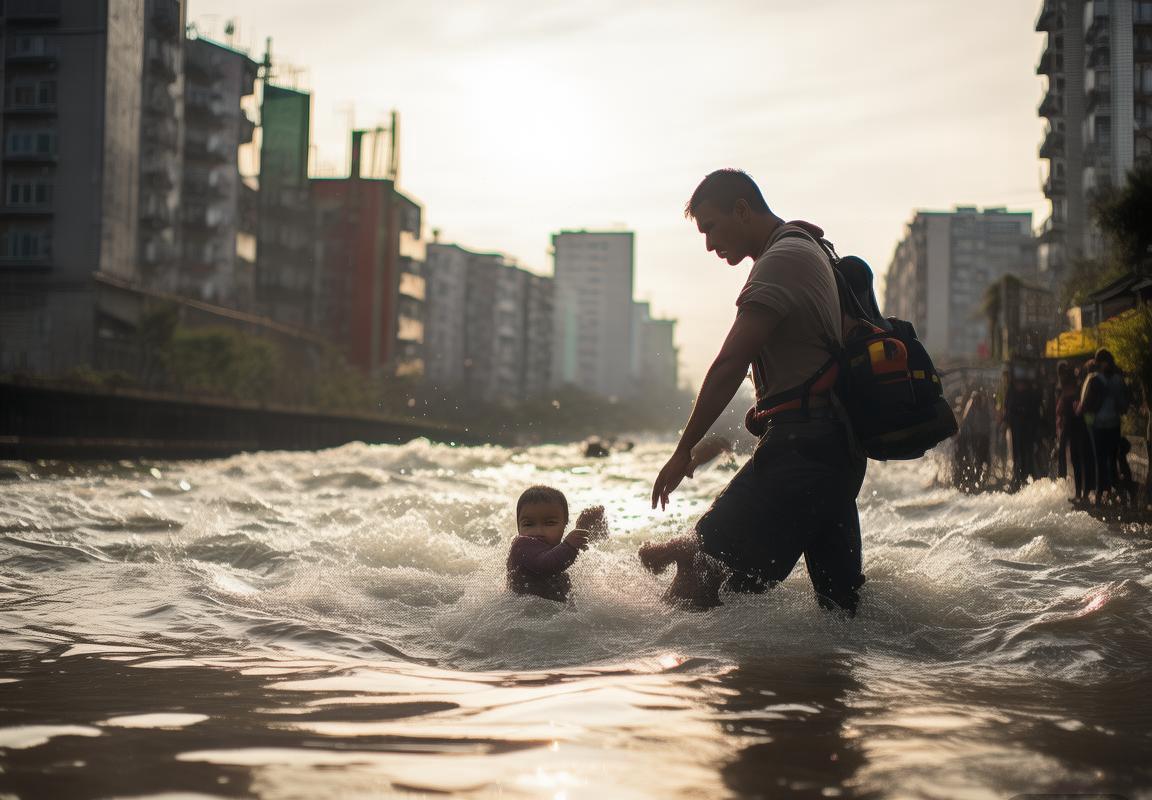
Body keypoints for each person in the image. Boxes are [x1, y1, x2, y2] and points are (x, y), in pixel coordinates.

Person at [644, 169, 866, 614]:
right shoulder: (807, 246)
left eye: (711, 227)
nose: (709, 244)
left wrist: (683, 449)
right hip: (833, 451)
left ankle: (660, 680)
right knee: (841, 613)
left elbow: (729, 364)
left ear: (742, 210)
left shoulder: (781, 260)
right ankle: (826, 684)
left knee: (697, 577)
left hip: (802, 450)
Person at [506, 485, 607, 601]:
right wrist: (569, 545)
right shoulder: (522, 546)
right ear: (518, 527)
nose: (538, 532)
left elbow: (560, 558)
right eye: (528, 524)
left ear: (564, 526)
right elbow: (544, 564)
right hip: (523, 612)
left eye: (549, 523)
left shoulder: (557, 550)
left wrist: (583, 534)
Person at [1077, 349, 1128, 506]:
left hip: (1098, 426)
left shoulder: (1093, 379)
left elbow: (1084, 405)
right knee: (1112, 461)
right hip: (1114, 425)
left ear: (1099, 362)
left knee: (1100, 460)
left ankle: (1100, 498)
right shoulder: (1118, 380)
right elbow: (1124, 405)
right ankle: (1118, 496)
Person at [1055, 361, 1089, 503]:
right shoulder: (1075, 392)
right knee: (1077, 460)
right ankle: (1081, 493)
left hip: (1073, 426)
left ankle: (1079, 493)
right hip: (1078, 426)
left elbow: (1061, 410)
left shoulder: (1067, 394)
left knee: (1075, 459)